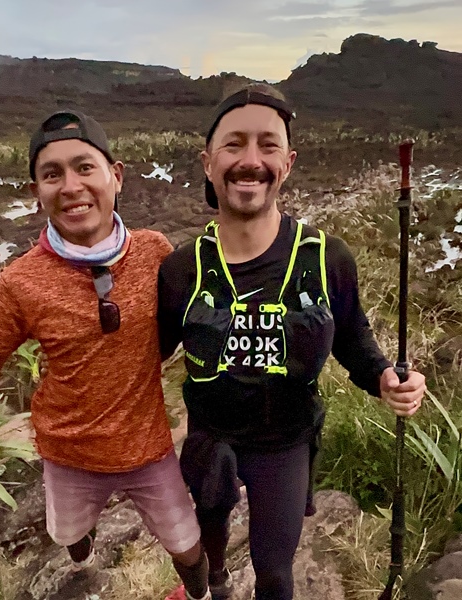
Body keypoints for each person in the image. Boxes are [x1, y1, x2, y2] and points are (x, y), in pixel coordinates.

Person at [0, 109, 212, 600]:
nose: (70, 185)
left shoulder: (156, 252)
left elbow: (202, 317)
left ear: (115, 177)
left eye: (84, 167)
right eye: (52, 174)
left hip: (148, 448)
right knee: (67, 534)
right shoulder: (20, 282)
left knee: (186, 540)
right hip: (67, 453)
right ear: (36, 193)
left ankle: (199, 593)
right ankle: (83, 549)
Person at [157, 84, 426, 600]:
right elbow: (147, 354)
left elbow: (353, 338)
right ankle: (214, 577)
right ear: (208, 163)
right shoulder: (180, 269)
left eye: (268, 144)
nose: (250, 160)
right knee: (209, 513)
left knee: (277, 575)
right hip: (211, 435)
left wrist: (385, 378)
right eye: (233, 145)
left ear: (289, 162)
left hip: (286, 442)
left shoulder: (327, 258)